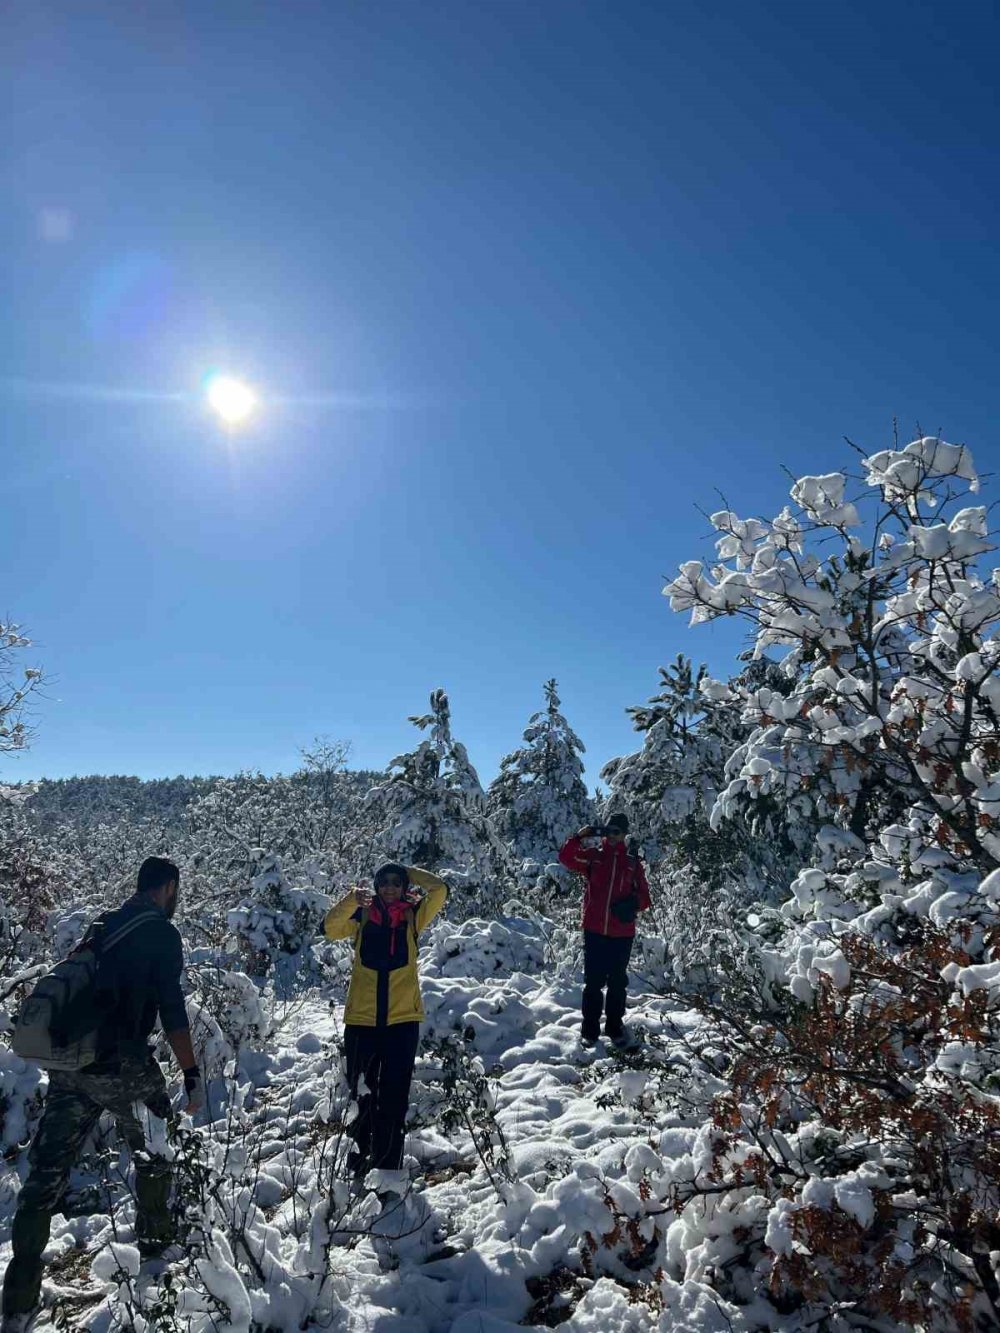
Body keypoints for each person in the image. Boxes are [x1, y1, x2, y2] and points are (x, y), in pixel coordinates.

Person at [1, 857, 203, 1333]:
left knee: (46, 1176)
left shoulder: (104, 924)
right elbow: (172, 1008)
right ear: (169, 888)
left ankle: (18, 1299)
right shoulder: (160, 933)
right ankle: (156, 1252)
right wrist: (191, 1072)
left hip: (73, 1064)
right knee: (156, 1150)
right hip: (122, 1062)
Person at [324, 862, 447, 1179]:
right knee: (361, 1095)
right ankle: (362, 1160)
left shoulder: (413, 916)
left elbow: (440, 889)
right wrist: (353, 898)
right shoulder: (362, 916)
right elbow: (330, 928)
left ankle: (388, 1170)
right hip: (361, 1021)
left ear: (404, 887)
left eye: (396, 882)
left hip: (402, 1022)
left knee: (393, 1098)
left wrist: (407, 870)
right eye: (384, 882)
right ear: (376, 886)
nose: (390, 888)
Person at [558, 814, 650, 1048]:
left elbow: (645, 898)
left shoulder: (632, 862)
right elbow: (566, 858)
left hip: (622, 933)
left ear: (624, 834)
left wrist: (631, 904)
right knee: (593, 983)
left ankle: (614, 1027)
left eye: (617, 831)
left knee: (618, 983)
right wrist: (579, 837)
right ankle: (589, 1031)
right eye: (609, 830)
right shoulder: (594, 857)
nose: (612, 835)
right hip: (595, 930)